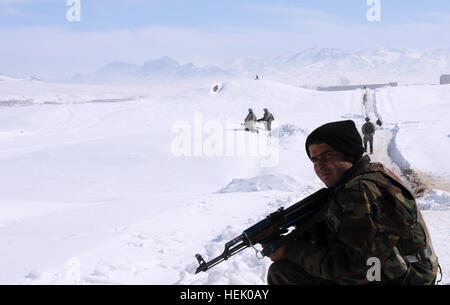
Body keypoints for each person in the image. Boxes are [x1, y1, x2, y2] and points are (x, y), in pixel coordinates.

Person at [266, 120, 439, 285]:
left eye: (328, 155)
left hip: (406, 279)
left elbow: (357, 271)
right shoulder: (371, 173)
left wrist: (290, 250)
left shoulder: (358, 190)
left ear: (349, 153)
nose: (320, 165)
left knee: (282, 272)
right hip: (411, 272)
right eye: (315, 160)